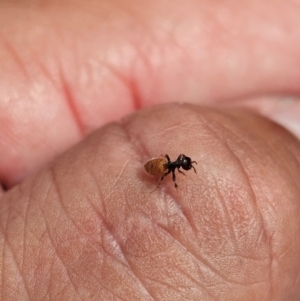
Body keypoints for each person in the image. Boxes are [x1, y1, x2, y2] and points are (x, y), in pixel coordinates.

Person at [0, 0, 299, 300]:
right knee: (163, 181)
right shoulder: (168, 168)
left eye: (183, 164)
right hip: (154, 168)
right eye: (184, 164)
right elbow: (162, 167)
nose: (183, 165)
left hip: (155, 166)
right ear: (177, 164)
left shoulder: (171, 163)